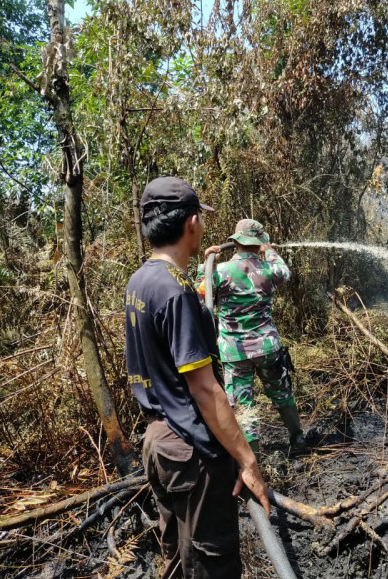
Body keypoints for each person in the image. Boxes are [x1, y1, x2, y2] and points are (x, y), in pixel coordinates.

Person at [124, 177, 270, 579]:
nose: (203, 227)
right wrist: (247, 460)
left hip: (159, 443)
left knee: (176, 556)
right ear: (191, 223)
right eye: (201, 220)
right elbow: (205, 389)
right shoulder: (176, 292)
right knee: (211, 564)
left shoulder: (141, 281)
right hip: (191, 452)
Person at [199, 219, 307, 458]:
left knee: (244, 405)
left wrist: (206, 263)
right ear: (259, 243)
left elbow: (200, 292)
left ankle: (254, 461)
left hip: (235, 352)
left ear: (236, 241)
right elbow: (284, 273)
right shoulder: (270, 270)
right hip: (267, 347)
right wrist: (269, 251)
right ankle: (298, 440)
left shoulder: (220, 271)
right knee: (282, 393)